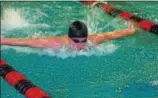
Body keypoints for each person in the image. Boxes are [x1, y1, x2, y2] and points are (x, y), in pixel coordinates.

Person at [1, 21, 137, 51]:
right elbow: (26, 42)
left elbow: (113, 34)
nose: (80, 45)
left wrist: (132, 29)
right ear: (69, 38)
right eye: (76, 41)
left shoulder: (93, 40)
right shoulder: (56, 44)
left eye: (83, 41)